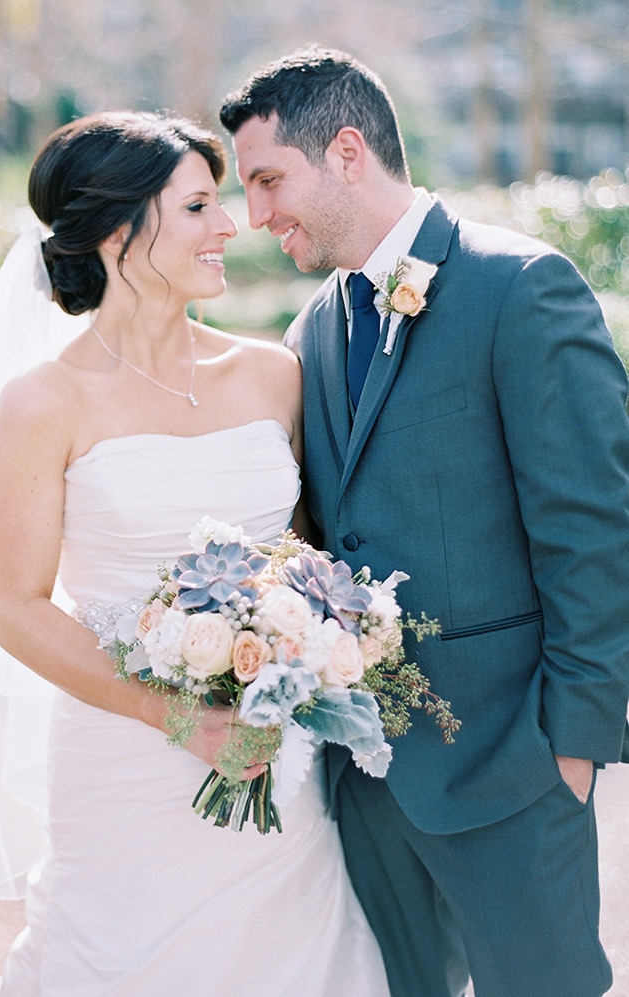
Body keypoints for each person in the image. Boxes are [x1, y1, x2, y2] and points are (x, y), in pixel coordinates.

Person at [0, 111, 389, 995]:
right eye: (196, 207)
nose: (229, 225)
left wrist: (307, 647)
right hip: (122, 764)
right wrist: (181, 720)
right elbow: (17, 609)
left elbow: (306, 553)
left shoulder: (273, 374)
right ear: (117, 233)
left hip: (270, 752)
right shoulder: (40, 405)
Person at [220, 47, 629, 997]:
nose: (256, 214)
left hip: (510, 769)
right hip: (366, 787)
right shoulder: (309, 333)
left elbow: (595, 532)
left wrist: (572, 749)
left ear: (347, 151)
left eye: (269, 179)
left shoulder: (520, 286)